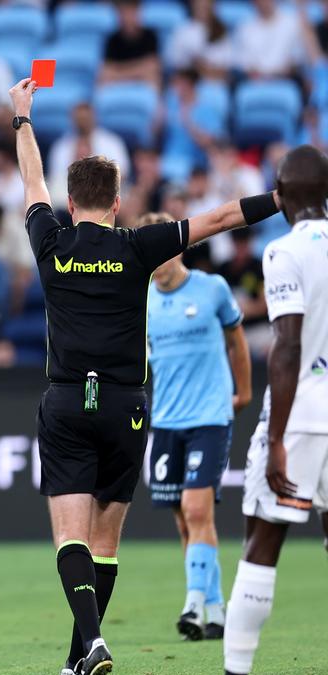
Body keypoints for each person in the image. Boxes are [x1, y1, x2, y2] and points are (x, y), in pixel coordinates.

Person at [8, 77, 283, 675]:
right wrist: (283, 195)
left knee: (71, 537)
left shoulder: (48, 241)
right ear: (119, 198)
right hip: (129, 407)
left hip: (66, 400)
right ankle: (80, 654)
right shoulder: (139, 245)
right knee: (106, 540)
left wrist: (22, 116)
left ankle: (91, 642)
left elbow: (30, 182)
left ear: (70, 199)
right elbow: (222, 216)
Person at [187, 145, 328, 675]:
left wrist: (275, 438)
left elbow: (288, 346)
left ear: (282, 196)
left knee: (261, 544)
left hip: (302, 415)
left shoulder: (283, 251)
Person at [143, 211, 252, 642]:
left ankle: (191, 604)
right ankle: (217, 609)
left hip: (209, 416)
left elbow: (237, 341)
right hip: (166, 419)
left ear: (179, 248)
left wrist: (242, 393)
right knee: (186, 521)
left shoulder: (212, 289)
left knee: (195, 509)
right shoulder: (141, 300)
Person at [100, 0, 161, 89]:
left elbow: (153, 67)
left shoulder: (150, 36)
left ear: (138, 12)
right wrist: (139, 71)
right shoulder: (112, 39)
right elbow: (106, 73)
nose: (127, 17)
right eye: (124, 12)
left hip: (142, 86)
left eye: (131, 12)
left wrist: (119, 72)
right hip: (118, 87)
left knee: (153, 77)